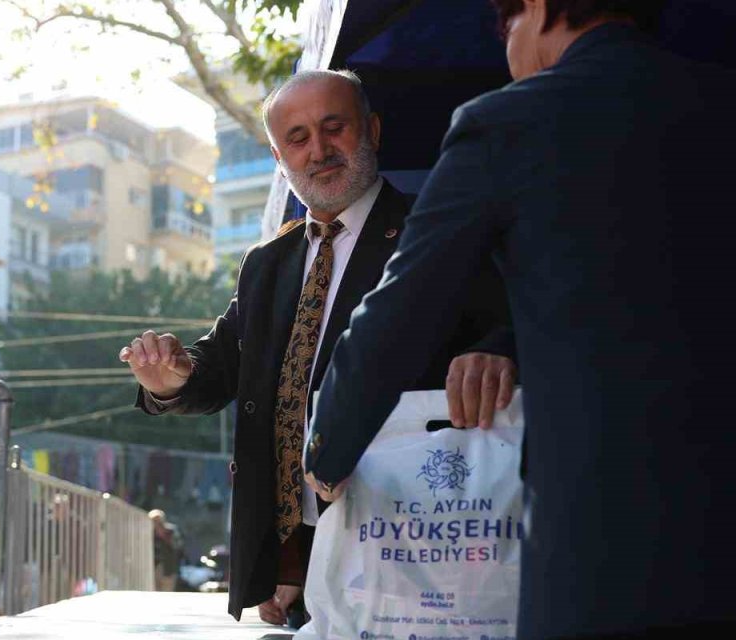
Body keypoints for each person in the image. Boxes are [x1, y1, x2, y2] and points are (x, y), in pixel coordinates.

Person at [304, 1, 736, 637]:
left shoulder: (507, 124)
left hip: (602, 548)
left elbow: (398, 315)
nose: (507, 47)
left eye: (504, 26)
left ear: (534, 7)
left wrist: (327, 451)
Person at [118, 70, 517, 625]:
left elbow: (514, 325)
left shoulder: (433, 232)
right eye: (298, 138)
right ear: (279, 158)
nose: (319, 150)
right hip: (295, 560)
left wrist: (498, 351)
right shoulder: (266, 263)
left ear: (372, 130)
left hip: (411, 547)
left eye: (334, 127)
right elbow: (221, 366)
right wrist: (172, 380)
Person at [149, 509, 184, 592]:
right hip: (154, 567)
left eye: (158, 521)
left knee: (167, 591)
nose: (156, 523)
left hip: (169, 567)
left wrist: (164, 536)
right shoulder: (149, 532)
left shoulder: (171, 531)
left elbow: (178, 546)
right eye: (154, 521)